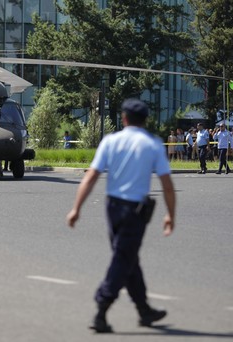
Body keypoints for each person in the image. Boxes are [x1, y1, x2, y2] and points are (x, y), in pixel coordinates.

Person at [66, 99, 175, 333]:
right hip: (135, 212)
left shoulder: (111, 141)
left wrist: (77, 207)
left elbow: (91, 176)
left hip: (112, 208)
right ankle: (101, 308)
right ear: (146, 120)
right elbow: (167, 185)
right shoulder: (153, 144)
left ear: (124, 118)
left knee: (128, 258)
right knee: (123, 259)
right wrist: (171, 215)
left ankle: (144, 309)